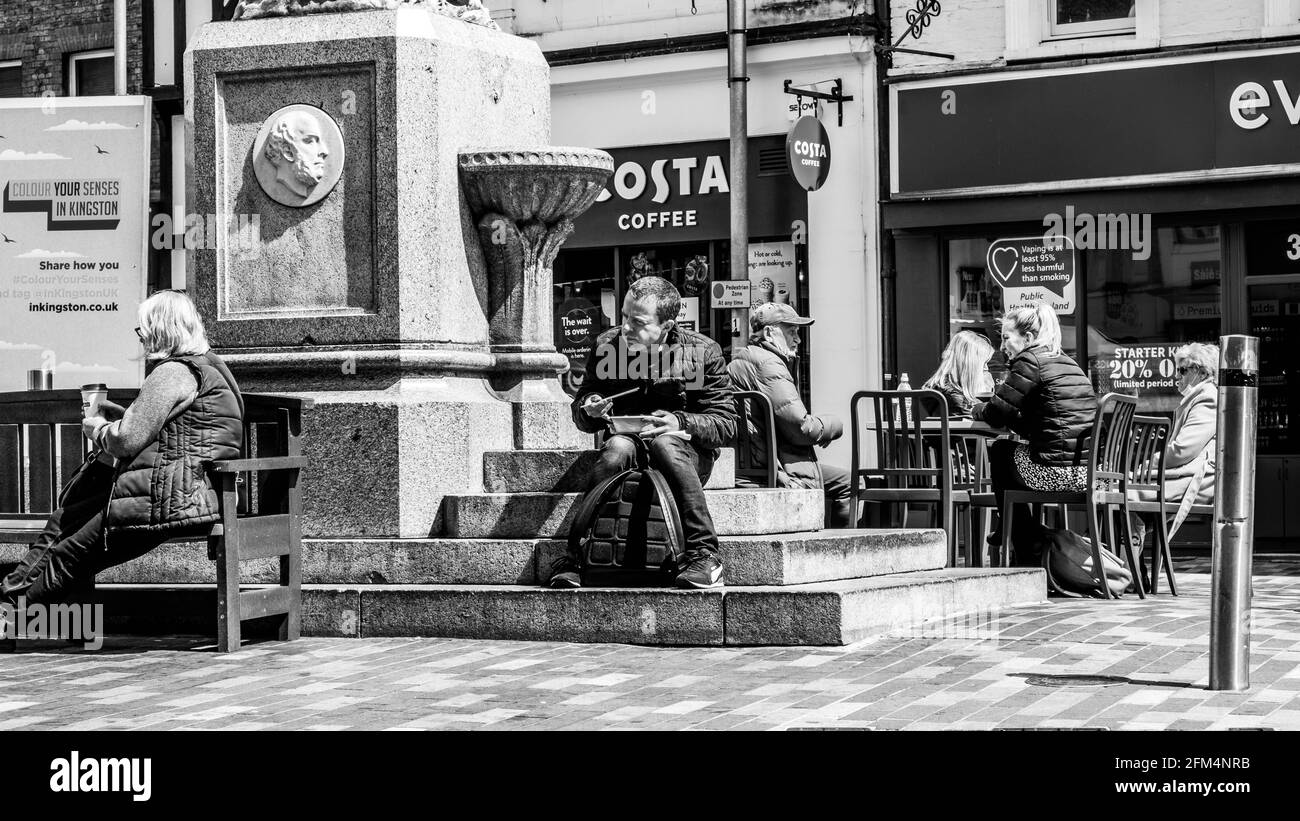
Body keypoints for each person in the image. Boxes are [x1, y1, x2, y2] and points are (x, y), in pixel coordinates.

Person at [0, 291, 244, 646]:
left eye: (142, 328)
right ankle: (7, 608)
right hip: (187, 492)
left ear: (161, 329)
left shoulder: (173, 372)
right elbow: (168, 432)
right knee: (63, 521)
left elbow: (128, 441)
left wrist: (98, 430)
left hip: (168, 500)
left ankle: (6, 615)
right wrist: (123, 421)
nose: (140, 336)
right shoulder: (208, 366)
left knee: (71, 551)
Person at [549, 276, 737, 590]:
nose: (627, 329)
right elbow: (584, 410)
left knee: (665, 443)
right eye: (625, 317)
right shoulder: (608, 344)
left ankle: (705, 554)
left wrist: (680, 422)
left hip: (684, 452)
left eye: (638, 322)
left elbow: (726, 424)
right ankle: (576, 558)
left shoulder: (702, 352)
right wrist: (589, 409)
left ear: (667, 325)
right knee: (616, 449)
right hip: (630, 442)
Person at [972, 303, 1097, 565]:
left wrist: (976, 409)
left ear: (1028, 338)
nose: (1002, 347)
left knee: (1001, 451)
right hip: (1087, 474)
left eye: (1006, 338)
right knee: (1008, 454)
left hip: (1055, 473)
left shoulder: (1030, 361)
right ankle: (1021, 536)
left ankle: (1021, 540)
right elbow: (1038, 424)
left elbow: (996, 414)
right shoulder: (1068, 363)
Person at [727, 303, 853, 528]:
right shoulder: (769, 364)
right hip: (776, 468)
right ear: (768, 332)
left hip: (759, 463)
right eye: (791, 332)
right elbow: (801, 428)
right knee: (850, 481)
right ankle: (841, 548)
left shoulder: (743, 360)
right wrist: (834, 425)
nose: (798, 340)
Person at [1129, 342, 1219, 548]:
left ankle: (1119, 569)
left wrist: (1149, 464)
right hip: (1184, 478)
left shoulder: (1207, 398)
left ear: (1200, 371)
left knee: (1118, 497)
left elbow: (1182, 451)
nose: (1176, 376)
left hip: (1194, 481)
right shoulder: (1199, 397)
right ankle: (1126, 567)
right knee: (1117, 499)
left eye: (1181, 370)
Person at [921, 330, 995, 419]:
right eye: (983, 363)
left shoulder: (944, 389)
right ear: (970, 364)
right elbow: (973, 422)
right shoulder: (954, 396)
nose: (986, 368)